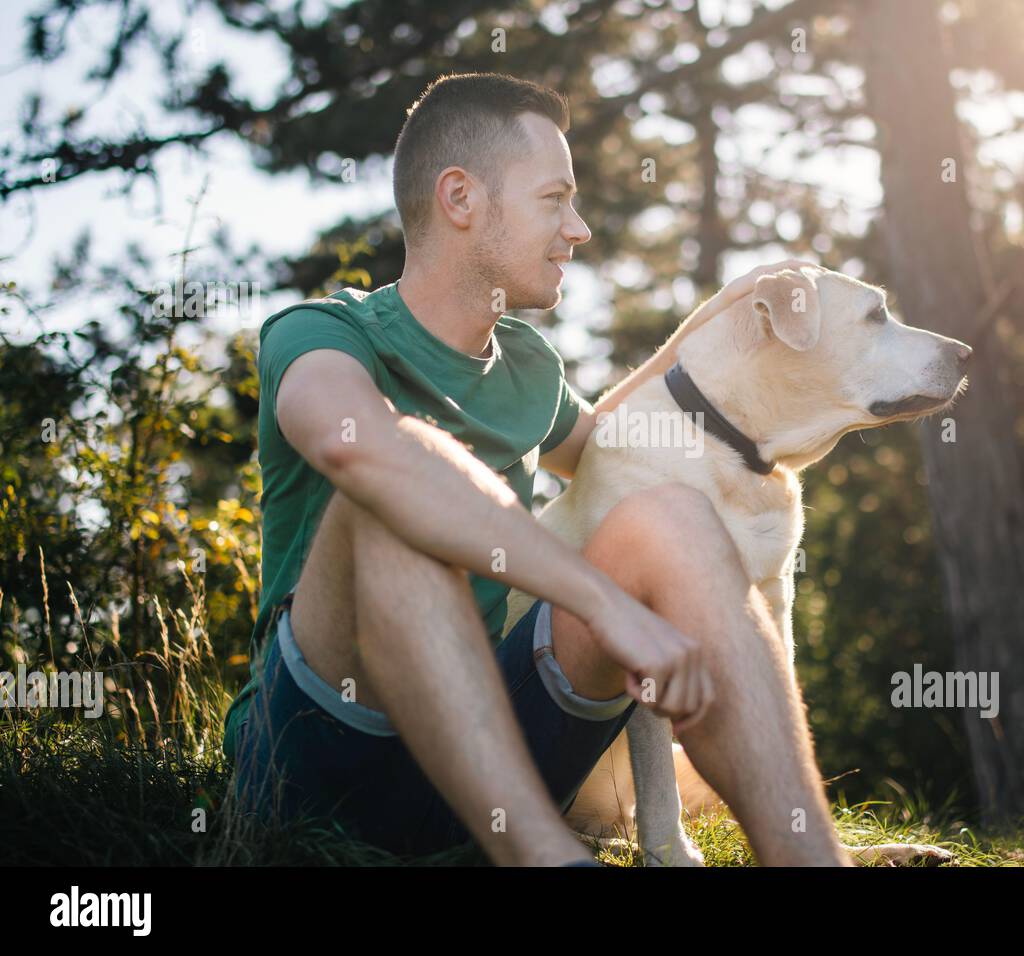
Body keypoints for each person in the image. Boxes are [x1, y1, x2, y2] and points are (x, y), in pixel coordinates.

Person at [224, 71, 852, 867]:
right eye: (555, 199)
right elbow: (358, 447)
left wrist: (716, 317)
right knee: (397, 479)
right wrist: (600, 602)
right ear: (461, 198)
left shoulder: (526, 364)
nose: (579, 228)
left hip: (490, 755)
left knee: (670, 515)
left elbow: (621, 446)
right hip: (316, 762)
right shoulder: (321, 336)